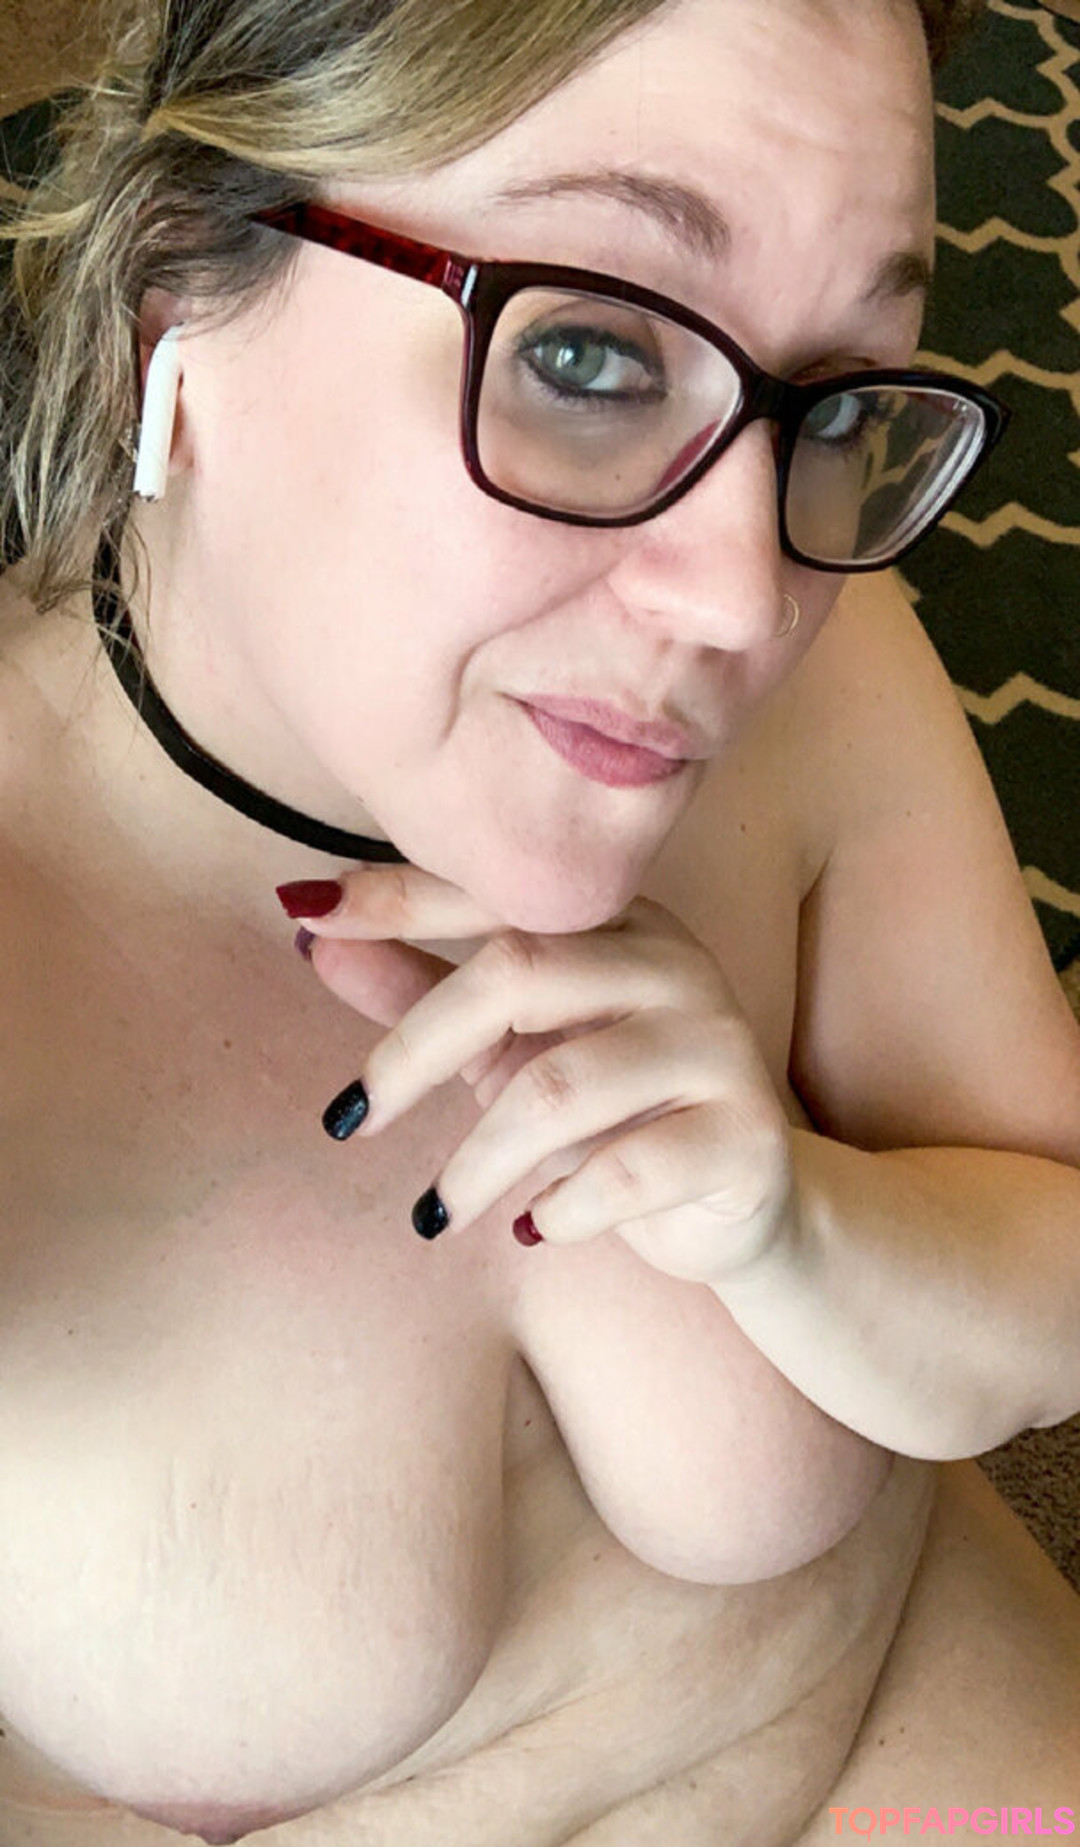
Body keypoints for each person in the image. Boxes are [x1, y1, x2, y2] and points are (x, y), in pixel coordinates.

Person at [1, 0, 1079, 1841]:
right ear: (179, 283)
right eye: (588, 353)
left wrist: (795, 1226)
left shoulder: (833, 679)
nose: (744, 595)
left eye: (833, 396)